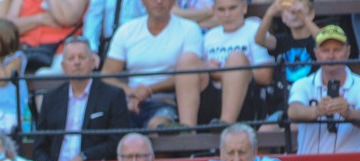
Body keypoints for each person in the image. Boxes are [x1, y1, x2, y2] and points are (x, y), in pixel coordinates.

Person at [101, 0, 203, 128]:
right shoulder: (126, 31)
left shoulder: (189, 29)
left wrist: (148, 90)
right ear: (142, 2)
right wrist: (131, 92)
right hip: (129, 103)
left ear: (173, 2)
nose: (159, 2)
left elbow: (190, 74)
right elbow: (106, 76)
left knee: (157, 126)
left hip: (167, 102)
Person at [32, 36, 129, 161]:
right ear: (63, 66)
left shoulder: (113, 95)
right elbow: (40, 145)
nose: (76, 62)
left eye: (81, 57)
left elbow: (117, 141)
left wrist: (83, 157)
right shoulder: (50, 98)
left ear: (93, 62)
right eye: (71, 58)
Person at [174, 0, 274, 128]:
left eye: (232, 8)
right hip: (210, 99)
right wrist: (205, 67)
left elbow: (265, 76)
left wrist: (218, 73)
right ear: (214, 11)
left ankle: (226, 124)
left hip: (247, 100)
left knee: (236, 58)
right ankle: (186, 128)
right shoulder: (209, 36)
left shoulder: (255, 30)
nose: (227, 14)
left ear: (244, 7)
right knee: (187, 60)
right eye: (221, 10)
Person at [287, 24, 360, 154]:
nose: (331, 56)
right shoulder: (303, 84)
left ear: (348, 51)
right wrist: (317, 111)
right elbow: (293, 111)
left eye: (337, 50)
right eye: (325, 50)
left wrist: (349, 113)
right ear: (316, 53)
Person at [254, 0, 319, 124]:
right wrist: (269, 13)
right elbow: (259, 40)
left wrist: (305, 19)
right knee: (265, 132)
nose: (294, 13)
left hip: (311, 103)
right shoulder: (282, 41)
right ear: (283, 18)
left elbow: (323, 41)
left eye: (300, 8)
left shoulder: (315, 40)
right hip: (283, 105)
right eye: (288, 11)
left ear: (311, 14)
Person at [170, 122, 295, 161]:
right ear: (221, 153)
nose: (236, 159)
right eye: (230, 153)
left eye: (242, 152)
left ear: (254, 151)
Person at [2, 0, 88, 74]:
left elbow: (68, 18)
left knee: (45, 75)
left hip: (60, 50)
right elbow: (8, 28)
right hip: (27, 51)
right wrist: (39, 19)